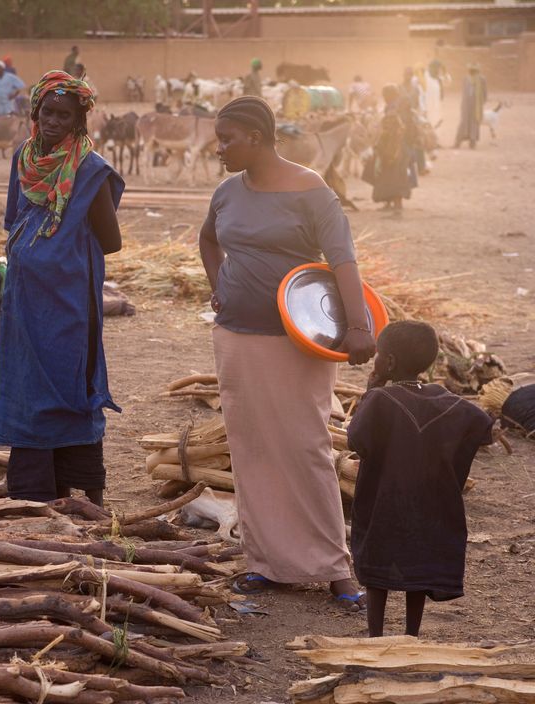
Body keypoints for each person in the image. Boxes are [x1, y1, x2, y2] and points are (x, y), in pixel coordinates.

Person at [198, 96, 374, 609]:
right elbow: (208, 240)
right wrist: (218, 286)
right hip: (236, 335)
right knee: (251, 449)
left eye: (227, 138)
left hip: (298, 339)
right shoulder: (228, 191)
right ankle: (266, 563)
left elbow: (343, 258)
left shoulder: (312, 190)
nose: (219, 148)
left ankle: (333, 566)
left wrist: (359, 325)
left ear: (256, 137)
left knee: (305, 446)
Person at [0, 70, 123, 508]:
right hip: (26, 300)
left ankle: (85, 487)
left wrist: (63, 242)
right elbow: (14, 220)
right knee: (29, 381)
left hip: (68, 301)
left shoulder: (90, 170)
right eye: (47, 111)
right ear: (35, 112)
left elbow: (112, 240)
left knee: (70, 381)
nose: (53, 121)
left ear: (78, 121)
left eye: (64, 115)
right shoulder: (24, 160)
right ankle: (34, 493)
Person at [348, 321, 493, 637]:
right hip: (431, 505)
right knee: (419, 570)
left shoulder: (381, 400)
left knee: (377, 575)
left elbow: (355, 439)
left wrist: (372, 388)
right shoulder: (446, 400)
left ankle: (375, 638)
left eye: (378, 356)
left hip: (383, 502)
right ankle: (411, 635)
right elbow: (482, 425)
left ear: (388, 362)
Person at [454, 63, 486, 149]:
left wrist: (481, 103)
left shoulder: (482, 79)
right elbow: (464, 92)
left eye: (474, 70)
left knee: (474, 122)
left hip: (476, 105)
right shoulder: (465, 79)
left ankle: (472, 142)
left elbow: (484, 93)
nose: (472, 71)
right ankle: (458, 142)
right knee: (464, 122)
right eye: (471, 70)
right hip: (466, 104)